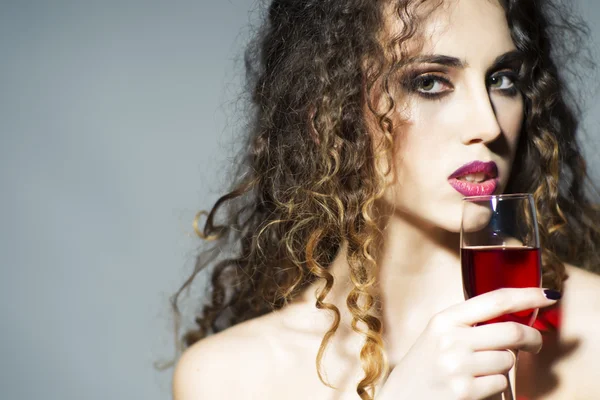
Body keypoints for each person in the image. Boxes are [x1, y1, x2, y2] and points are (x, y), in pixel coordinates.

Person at [169, 0, 600, 398]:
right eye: (429, 82)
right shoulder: (227, 377)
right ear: (326, 112)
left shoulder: (591, 332)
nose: (487, 124)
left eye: (501, 80)